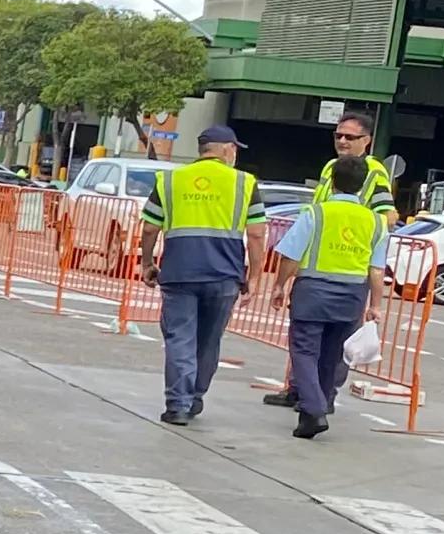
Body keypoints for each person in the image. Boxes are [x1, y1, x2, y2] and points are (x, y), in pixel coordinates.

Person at [264, 154, 390, 439]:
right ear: (361, 186)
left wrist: (280, 286)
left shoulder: (316, 213)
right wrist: (376, 306)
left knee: (304, 351)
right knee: (332, 355)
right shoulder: (376, 222)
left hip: (313, 291)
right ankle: (319, 406)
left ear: (332, 182)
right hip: (352, 295)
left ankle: (314, 408)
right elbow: (377, 270)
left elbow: (291, 256)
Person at [143, 124, 255, 426]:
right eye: (234, 150)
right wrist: (253, 275)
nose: (235, 155)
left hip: (179, 273)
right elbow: (257, 235)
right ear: (226, 149)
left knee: (180, 338)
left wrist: (147, 262)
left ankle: (177, 404)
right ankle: (194, 398)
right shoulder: (245, 182)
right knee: (208, 340)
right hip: (225, 275)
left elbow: (151, 226)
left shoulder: (170, 180)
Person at [320, 109, 395, 226]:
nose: (342, 141)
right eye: (338, 136)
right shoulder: (330, 166)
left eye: (349, 137)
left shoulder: (375, 169)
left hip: (352, 240)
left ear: (366, 140)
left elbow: (388, 217)